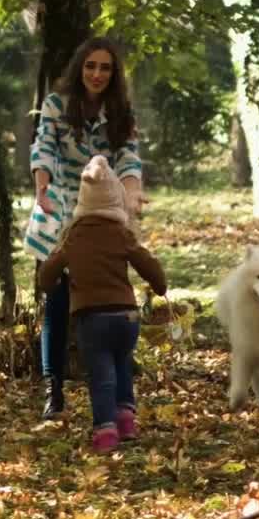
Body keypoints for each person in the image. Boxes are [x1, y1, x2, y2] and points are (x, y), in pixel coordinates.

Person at [26, 37, 146, 419]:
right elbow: (43, 148)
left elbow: (128, 158)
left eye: (105, 68)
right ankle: (52, 389)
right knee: (57, 303)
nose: (97, 74)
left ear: (114, 75)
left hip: (102, 214)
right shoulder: (56, 105)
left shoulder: (121, 111)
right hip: (60, 207)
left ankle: (116, 396)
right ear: (80, 68)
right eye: (91, 66)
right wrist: (41, 187)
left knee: (109, 299)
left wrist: (132, 195)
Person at [38, 155, 167, 453]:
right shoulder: (121, 234)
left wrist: (50, 284)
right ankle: (126, 422)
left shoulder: (73, 236)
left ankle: (106, 431)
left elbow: (49, 271)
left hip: (91, 319)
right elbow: (146, 262)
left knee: (101, 375)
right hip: (126, 317)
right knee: (122, 365)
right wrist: (160, 286)